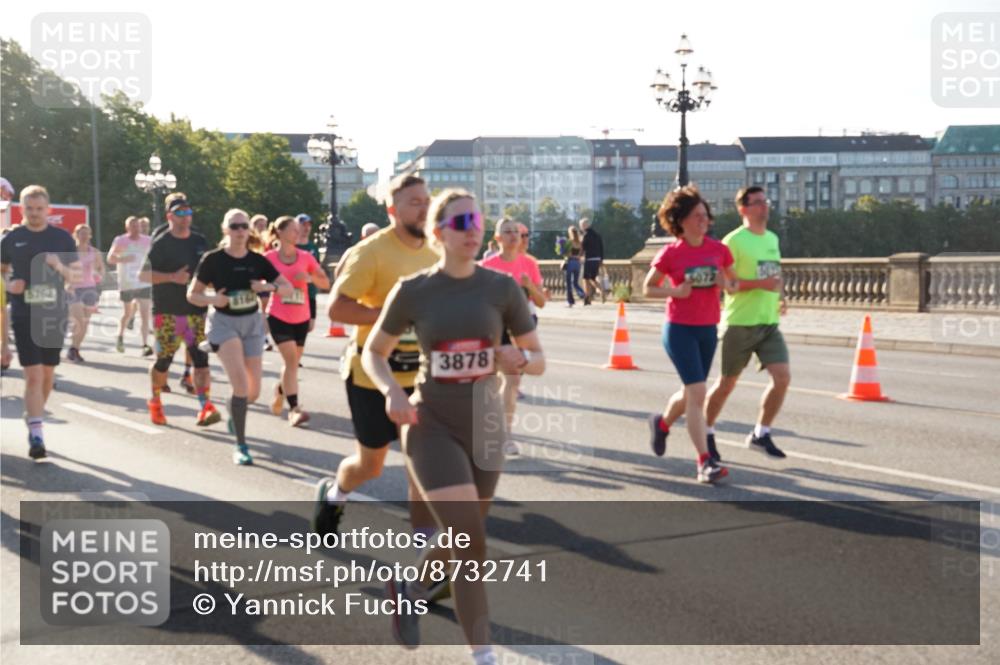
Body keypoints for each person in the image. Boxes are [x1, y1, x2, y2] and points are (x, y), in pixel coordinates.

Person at [362, 188, 544, 661]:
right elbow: (373, 352)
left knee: (464, 537)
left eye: (476, 220)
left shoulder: (501, 289)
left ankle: (410, 586)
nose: (473, 230)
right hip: (432, 423)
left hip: (485, 425)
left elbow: (539, 359)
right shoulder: (414, 290)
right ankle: (484, 655)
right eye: (461, 223)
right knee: (471, 543)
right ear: (439, 232)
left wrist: (518, 357)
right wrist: (393, 392)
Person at [313, 174, 438, 542]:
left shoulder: (438, 250)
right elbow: (337, 308)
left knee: (421, 470)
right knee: (371, 466)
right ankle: (335, 494)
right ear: (392, 210)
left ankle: (425, 565)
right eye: (414, 202)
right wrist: (391, 315)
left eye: (426, 201)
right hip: (373, 377)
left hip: (422, 379)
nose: (424, 208)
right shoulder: (372, 252)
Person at [643, 186, 737, 484]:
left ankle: (662, 424)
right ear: (681, 220)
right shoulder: (670, 253)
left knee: (690, 392)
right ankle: (704, 462)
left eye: (705, 216)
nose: (703, 221)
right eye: (697, 216)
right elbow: (647, 288)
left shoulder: (718, 249)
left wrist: (725, 282)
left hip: (708, 328)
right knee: (698, 392)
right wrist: (675, 290)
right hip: (679, 328)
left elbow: (734, 284)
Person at [188, 209, 293, 464]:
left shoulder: (258, 261)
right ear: (225, 229)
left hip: (252, 324)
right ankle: (241, 446)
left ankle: (233, 407)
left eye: (243, 226)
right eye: (234, 226)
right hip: (224, 324)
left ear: (249, 230)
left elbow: (288, 289)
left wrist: (267, 287)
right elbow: (192, 294)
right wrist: (215, 299)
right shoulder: (213, 260)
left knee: (253, 393)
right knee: (241, 387)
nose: (239, 231)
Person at [704, 186, 790, 460]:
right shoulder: (733, 242)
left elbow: (774, 272)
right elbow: (725, 283)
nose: (764, 206)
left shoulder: (773, 238)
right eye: (757, 203)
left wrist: (780, 296)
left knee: (782, 378)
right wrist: (760, 284)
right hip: (740, 322)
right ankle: (705, 432)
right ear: (743, 209)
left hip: (768, 322)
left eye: (766, 201)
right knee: (726, 384)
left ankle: (760, 434)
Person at [0, 185, 80, 459]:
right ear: (21, 209)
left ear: (48, 210)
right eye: (29, 209)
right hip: (24, 314)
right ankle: (37, 435)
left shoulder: (62, 239)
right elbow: (1, 273)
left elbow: (77, 277)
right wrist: (10, 284)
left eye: (39, 209)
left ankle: (33, 415)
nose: (34, 214)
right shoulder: (11, 239)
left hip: (54, 314)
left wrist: (59, 265)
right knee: (33, 375)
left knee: (47, 376)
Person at [143, 193, 220, 427]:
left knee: (202, 361)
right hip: (166, 311)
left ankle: (205, 406)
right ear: (170, 216)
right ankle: (155, 401)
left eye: (188, 212)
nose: (186, 217)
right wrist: (171, 277)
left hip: (195, 310)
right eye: (180, 213)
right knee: (164, 361)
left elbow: (207, 271)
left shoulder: (199, 241)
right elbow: (143, 275)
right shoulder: (161, 242)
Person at [481, 218, 546, 456]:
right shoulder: (486, 265)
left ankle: (505, 436)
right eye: (506, 232)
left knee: (512, 381)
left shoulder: (529, 263)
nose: (512, 236)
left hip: (523, 327)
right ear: (497, 238)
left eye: (516, 232)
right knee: (494, 382)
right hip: (495, 328)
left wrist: (529, 286)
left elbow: (541, 302)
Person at [264, 216, 330, 426]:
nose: (297, 232)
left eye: (297, 229)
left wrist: (310, 279)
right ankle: (295, 409)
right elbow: (257, 284)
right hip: (277, 316)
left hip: (301, 316)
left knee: (291, 364)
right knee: (292, 362)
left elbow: (326, 283)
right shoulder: (269, 259)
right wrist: (274, 289)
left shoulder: (306, 257)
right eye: (292, 229)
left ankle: (281, 390)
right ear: (280, 233)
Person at [107, 215, 153, 355]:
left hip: (144, 282)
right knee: (127, 313)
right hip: (127, 282)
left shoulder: (148, 241)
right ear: (127, 227)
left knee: (145, 314)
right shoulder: (121, 240)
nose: (136, 228)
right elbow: (110, 258)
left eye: (137, 226)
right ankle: (120, 336)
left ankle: (145, 345)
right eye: (132, 226)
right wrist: (124, 258)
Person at [65, 224, 105, 363]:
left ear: (90, 235)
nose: (84, 236)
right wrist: (66, 282)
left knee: (85, 323)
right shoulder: (70, 252)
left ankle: (74, 349)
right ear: (76, 235)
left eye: (86, 234)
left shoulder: (95, 252)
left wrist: (98, 275)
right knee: (79, 321)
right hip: (73, 289)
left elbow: (101, 270)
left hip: (90, 289)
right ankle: (73, 346)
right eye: (81, 233)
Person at [294, 214, 323, 334]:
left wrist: (313, 278)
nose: (306, 228)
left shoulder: (313, 247)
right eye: (303, 225)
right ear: (296, 227)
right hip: (293, 292)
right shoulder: (291, 246)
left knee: (310, 326)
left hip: (310, 292)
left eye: (309, 225)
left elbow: (318, 269)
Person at [580, 217, 606, 304]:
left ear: (584, 226)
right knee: (592, 278)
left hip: (589, 259)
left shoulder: (585, 235)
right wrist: (601, 259)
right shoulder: (597, 235)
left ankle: (588, 297)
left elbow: (582, 248)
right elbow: (601, 248)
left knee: (587, 279)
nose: (581, 227)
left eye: (581, 225)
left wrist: (579, 256)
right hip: (597, 259)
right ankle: (594, 294)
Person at [562, 225, 586, 306]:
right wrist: (577, 257)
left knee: (569, 283)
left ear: (570, 233)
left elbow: (568, 254)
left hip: (571, 263)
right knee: (575, 282)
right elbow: (581, 254)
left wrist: (563, 252)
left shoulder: (569, 242)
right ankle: (582, 294)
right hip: (577, 264)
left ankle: (570, 302)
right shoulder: (580, 243)